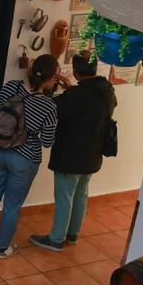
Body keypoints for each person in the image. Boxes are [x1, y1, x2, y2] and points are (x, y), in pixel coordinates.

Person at [0, 55, 62, 258]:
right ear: (51, 78)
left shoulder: (11, 86)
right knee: (12, 203)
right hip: (24, 157)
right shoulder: (49, 106)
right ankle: (3, 248)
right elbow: (48, 141)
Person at [32, 53, 116, 252]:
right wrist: (70, 89)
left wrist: (47, 90)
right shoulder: (108, 90)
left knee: (64, 198)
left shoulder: (77, 95)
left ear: (76, 72)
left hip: (70, 155)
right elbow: (86, 107)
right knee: (80, 196)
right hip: (93, 155)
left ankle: (56, 239)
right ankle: (72, 234)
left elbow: (54, 109)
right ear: (95, 69)